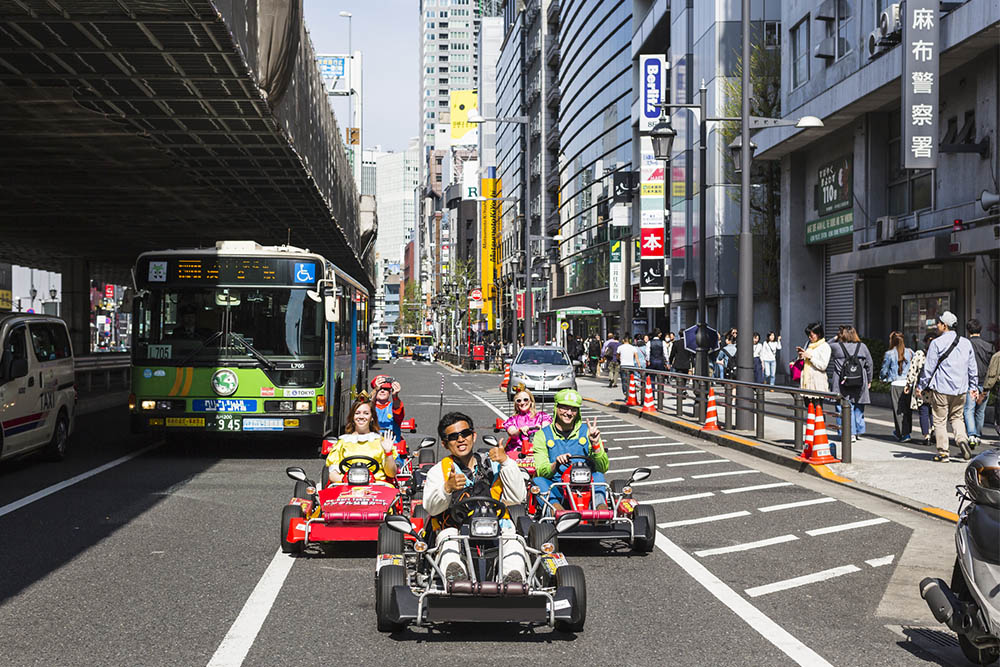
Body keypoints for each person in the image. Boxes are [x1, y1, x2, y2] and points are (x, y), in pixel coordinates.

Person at [423, 412, 527, 583]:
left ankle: (512, 579)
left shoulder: (494, 464)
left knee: (514, 540)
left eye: (464, 434)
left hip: (496, 526)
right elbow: (431, 508)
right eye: (453, 437)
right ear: (445, 443)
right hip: (456, 528)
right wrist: (447, 488)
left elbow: (518, 496)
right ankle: (456, 578)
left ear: (473, 435)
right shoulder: (439, 471)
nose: (461, 439)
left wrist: (506, 462)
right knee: (447, 539)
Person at [916, 311, 979, 462]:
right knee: (957, 418)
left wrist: (921, 385)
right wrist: (973, 386)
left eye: (938, 323)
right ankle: (962, 439)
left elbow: (928, 368)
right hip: (961, 389)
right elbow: (972, 367)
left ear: (945, 326)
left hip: (941, 388)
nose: (936, 326)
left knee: (939, 420)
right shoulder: (966, 343)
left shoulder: (936, 343)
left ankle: (943, 452)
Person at [531, 389, 609, 511]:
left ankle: (601, 509)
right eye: (564, 408)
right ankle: (556, 511)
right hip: (558, 486)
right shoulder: (542, 435)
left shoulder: (589, 432)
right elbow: (541, 470)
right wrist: (556, 464)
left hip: (586, 485)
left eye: (573, 409)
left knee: (598, 475)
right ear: (556, 408)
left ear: (578, 412)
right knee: (538, 481)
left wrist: (595, 445)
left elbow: (603, 468)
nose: (569, 413)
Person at [324, 400, 397, 484]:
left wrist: (388, 453)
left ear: (372, 417)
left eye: (366, 413)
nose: (361, 416)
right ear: (352, 417)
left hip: (378, 486)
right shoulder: (342, 442)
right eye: (357, 413)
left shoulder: (381, 442)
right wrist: (348, 479)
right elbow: (333, 475)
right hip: (346, 486)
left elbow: (391, 474)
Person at [828, 326, 874, 445]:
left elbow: (826, 345)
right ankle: (858, 430)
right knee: (858, 405)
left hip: (841, 382)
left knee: (843, 406)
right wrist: (869, 380)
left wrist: (836, 337)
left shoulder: (836, 346)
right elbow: (869, 364)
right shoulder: (862, 347)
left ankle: (849, 433)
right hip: (860, 380)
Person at [964, 319, 994, 449]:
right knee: (980, 411)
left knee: (969, 409)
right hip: (985, 382)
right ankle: (977, 435)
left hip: (970, 381)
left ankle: (971, 435)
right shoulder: (989, 346)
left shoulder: (965, 345)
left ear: (968, 330)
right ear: (980, 330)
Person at [904, 332, 937, 446]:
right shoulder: (939, 354)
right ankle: (934, 430)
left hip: (921, 388)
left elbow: (912, 371)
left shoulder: (919, 354)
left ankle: (926, 436)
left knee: (923, 412)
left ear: (924, 342)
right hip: (935, 388)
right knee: (934, 412)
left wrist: (908, 384)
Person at [880, 331, 914, 441]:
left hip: (895, 384)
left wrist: (882, 378)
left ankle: (902, 434)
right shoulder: (910, 352)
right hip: (908, 384)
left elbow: (884, 369)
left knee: (898, 411)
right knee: (907, 410)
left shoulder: (889, 354)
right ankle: (907, 432)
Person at [503, 384, 552, 458]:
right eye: (519, 401)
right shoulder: (512, 420)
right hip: (517, 452)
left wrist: (540, 427)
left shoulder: (541, 416)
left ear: (531, 402)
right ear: (516, 404)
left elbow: (547, 425)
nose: (522, 403)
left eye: (525, 399)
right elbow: (512, 432)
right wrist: (519, 430)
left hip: (537, 451)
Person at [370, 375, 405, 455]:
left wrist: (395, 395)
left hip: (393, 446)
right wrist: (375, 390)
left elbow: (397, 408)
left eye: (385, 389)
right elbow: (367, 408)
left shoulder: (393, 406)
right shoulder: (369, 406)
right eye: (380, 389)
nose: (382, 391)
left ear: (390, 391)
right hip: (372, 446)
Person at [797, 322, 831, 393]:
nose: (809, 337)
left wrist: (810, 357)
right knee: (807, 403)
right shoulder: (808, 344)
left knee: (817, 403)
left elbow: (823, 366)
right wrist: (801, 356)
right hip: (806, 382)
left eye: (811, 335)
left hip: (817, 382)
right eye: (808, 335)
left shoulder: (825, 346)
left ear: (818, 334)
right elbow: (804, 361)